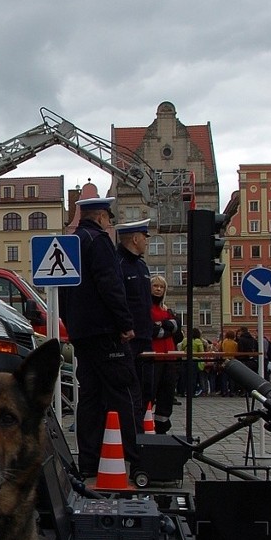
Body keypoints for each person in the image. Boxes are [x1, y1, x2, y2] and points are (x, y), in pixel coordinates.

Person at [60, 196, 140, 481]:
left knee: (90, 397)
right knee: (124, 391)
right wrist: (125, 323)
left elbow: (64, 289)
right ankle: (135, 456)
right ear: (102, 217)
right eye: (109, 217)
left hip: (82, 334)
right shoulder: (99, 241)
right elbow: (110, 284)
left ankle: (89, 461)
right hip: (106, 332)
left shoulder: (72, 242)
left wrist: (72, 325)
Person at [115, 219, 152, 431]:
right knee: (130, 389)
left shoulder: (141, 265)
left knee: (146, 388)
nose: (146, 242)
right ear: (135, 238)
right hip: (129, 338)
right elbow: (120, 300)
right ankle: (132, 433)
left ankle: (141, 429)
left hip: (145, 337)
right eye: (145, 238)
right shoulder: (119, 263)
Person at [147, 275, 182, 432]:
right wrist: (167, 328)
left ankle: (162, 426)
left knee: (167, 395)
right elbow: (151, 331)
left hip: (170, 357)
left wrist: (163, 327)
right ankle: (145, 423)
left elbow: (177, 330)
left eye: (161, 287)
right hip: (153, 357)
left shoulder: (168, 310)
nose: (158, 289)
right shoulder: (146, 308)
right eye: (155, 286)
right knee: (150, 393)